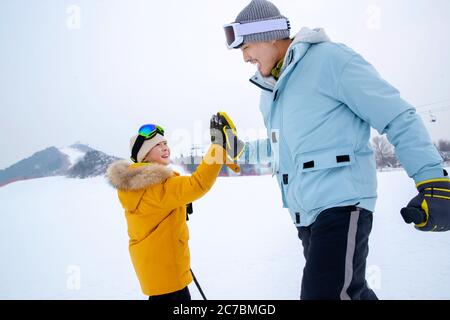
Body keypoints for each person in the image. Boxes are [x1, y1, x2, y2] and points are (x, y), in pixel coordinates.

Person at [224, 0, 450, 300]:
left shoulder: (330, 60)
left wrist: (432, 179)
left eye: (245, 48)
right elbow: (278, 146)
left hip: (342, 204)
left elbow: (395, 115)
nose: (244, 58)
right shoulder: (270, 94)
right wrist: (239, 150)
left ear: (267, 34)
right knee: (350, 292)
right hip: (305, 215)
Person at [106, 114, 243, 300]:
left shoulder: (138, 187)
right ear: (144, 155)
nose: (165, 147)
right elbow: (197, 184)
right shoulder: (154, 186)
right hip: (166, 273)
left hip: (157, 272)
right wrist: (218, 146)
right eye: (157, 145)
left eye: (165, 143)